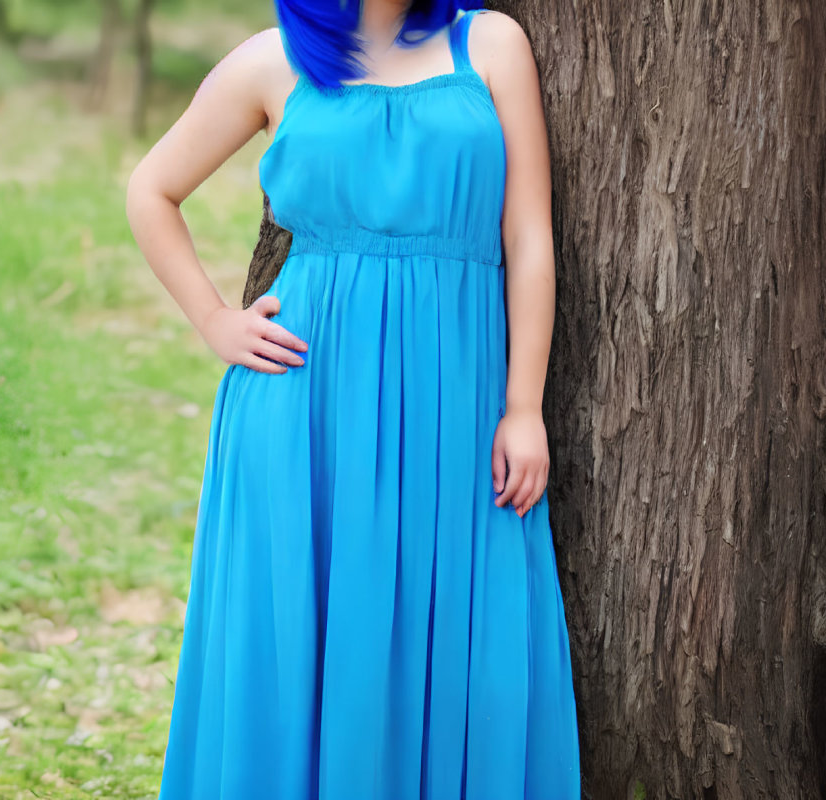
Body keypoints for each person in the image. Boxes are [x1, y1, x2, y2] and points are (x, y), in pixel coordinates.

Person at [125, 0, 581, 796]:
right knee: (301, 639)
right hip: (306, 408)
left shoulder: (491, 44)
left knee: (457, 643)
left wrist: (524, 406)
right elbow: (151, 189)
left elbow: (528, 238)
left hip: (458, 402)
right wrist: (215, 322)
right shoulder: (271, 60)